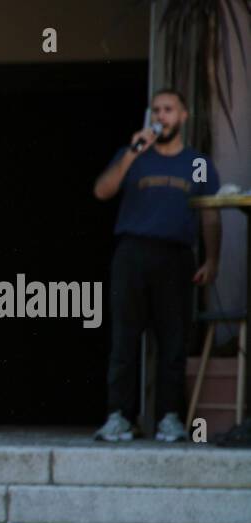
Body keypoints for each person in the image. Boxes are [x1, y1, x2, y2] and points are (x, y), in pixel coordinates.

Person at [92, 88, 222, 443]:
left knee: (173, 339)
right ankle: (119, 416)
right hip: (133, 252)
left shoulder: (196, 162)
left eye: (168, 110)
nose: (161, 116)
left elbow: (209, 213)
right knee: (125, 338)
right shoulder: (134, 156)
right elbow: (102, 191)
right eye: (156, 110)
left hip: (176, 255)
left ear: (183, 116)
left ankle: (169, 418)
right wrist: (132, 155)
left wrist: (212, 259)